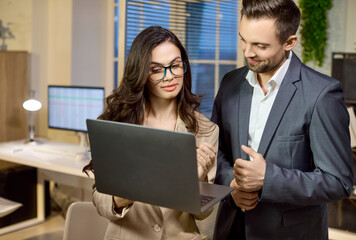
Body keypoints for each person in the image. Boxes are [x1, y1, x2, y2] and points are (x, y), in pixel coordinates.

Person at [211, 0, 354, 239]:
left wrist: (268, 179)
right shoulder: (230, 83)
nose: (248, 52)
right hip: (231, 228)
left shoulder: (322, 94)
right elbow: (217, 151)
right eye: (243, 40)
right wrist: (232, 184)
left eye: (260, 45)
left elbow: (338, 182)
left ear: (289, 42)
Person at [83, 26, 219, 240]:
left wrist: (197, 183)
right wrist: (123, 196)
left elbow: (204, 214)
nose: (169, 77)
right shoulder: (117, 123)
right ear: (141, 73)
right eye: (156, 69)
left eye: (175, 66)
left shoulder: (206, 130)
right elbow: (100, 201)